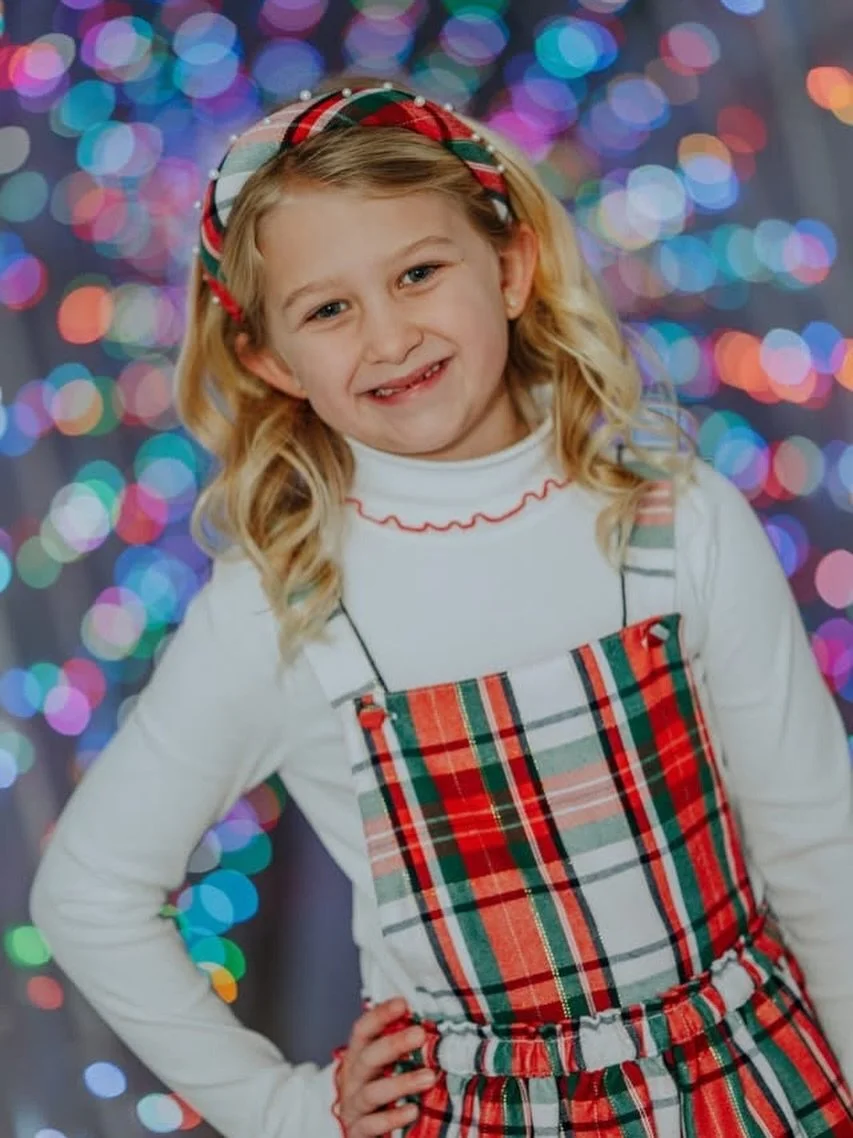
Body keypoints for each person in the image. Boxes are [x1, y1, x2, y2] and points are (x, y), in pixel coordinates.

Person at [29, 76, 853, 1138]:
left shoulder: (674, 521)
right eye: (328, 308)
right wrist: (285, 1111)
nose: (387, 337)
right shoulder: (281, 609)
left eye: (418, 272)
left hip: (754, 1084)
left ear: (508, 266)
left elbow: (815, 845)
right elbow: (87, 893)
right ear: (270, 359)